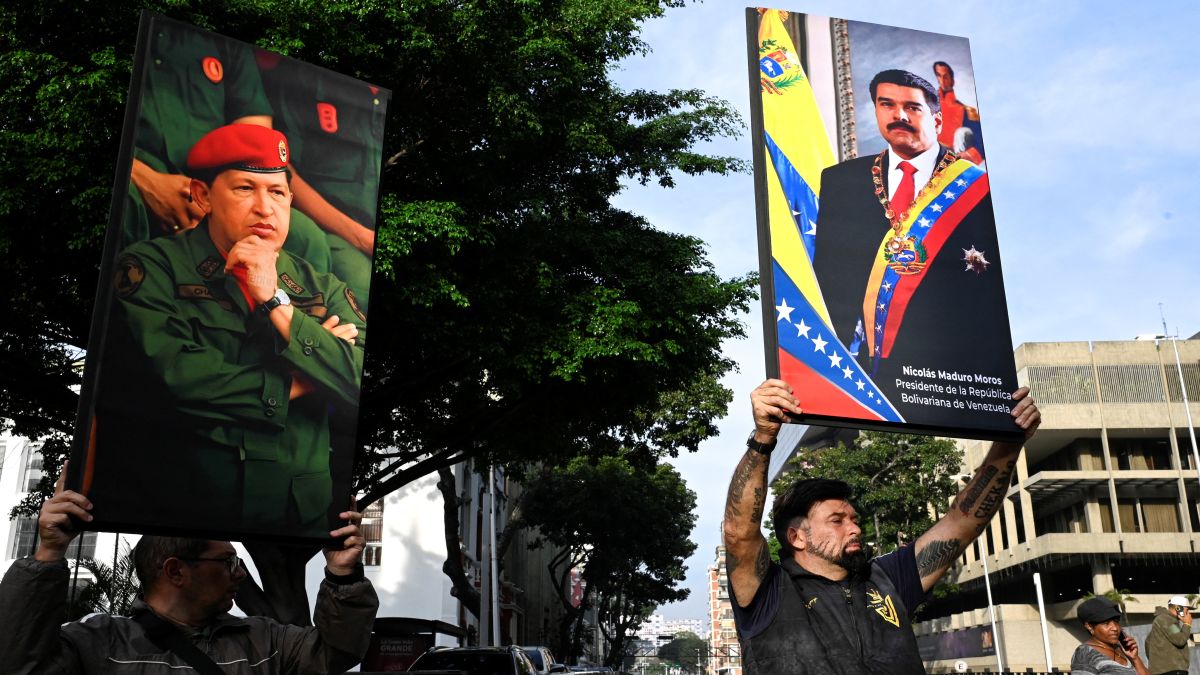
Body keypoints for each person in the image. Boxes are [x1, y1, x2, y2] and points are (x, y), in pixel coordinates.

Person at [92, 123, 366, 539]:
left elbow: (360, 377)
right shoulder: (152, 267)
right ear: (203, 197)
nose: (264, 208)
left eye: (276, 193)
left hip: (294, 513)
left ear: (291, 201)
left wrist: (274, 300)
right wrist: (308, 377)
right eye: (244, 189)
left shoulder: (320, 284)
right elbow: (176, 378)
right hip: (189, 508)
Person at [723, 378, 1040, 673]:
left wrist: (1010, 441)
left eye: (854, 519)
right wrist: (764, 438)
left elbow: (963, 521)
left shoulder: (888, 578)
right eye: (837, 520)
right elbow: (739, 535)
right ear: (797, 537)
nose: (855, 529)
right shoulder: (769, 591)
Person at [0, 469, 378, 674]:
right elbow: (20, 663)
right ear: (176, 571)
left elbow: (335, 656)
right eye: (228, 562)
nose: (240, 575)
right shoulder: (98, 645)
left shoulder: (266, 641)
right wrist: (50, 551)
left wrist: (343, 575)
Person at [811, 69, 1013, 429]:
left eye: (912, 108)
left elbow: (988, 297)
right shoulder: (840, 180)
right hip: (863, 373)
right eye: (886, 104)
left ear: (936, 120)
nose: (898, 116)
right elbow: (828, 277)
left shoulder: (977, 186)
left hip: (951, 380)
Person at [1070, 596, 1151, 675]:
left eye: (1116, 621)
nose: (1115, 628)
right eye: (1106, 623)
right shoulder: (1085, 654)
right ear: (1089, 626)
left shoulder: (1122, 649)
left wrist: (1135, 659)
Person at [932, 60, 982, 154]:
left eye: (946, 77)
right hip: (929, 152)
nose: (942, 80)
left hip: (953, 156)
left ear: (952, 81)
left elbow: (981, 139)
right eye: (939, 75)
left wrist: (970, 155)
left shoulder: (967, 111)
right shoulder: (927, 102)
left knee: (963, 132)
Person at [1146, 595, 1194, 675]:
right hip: (1172, 671)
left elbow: (1147, 642)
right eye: (1187, 609)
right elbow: (1180, 639)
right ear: (1178, 608)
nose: (1188, 613)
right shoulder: (1166, 620)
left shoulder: (1164, 620)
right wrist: (1187, 624)